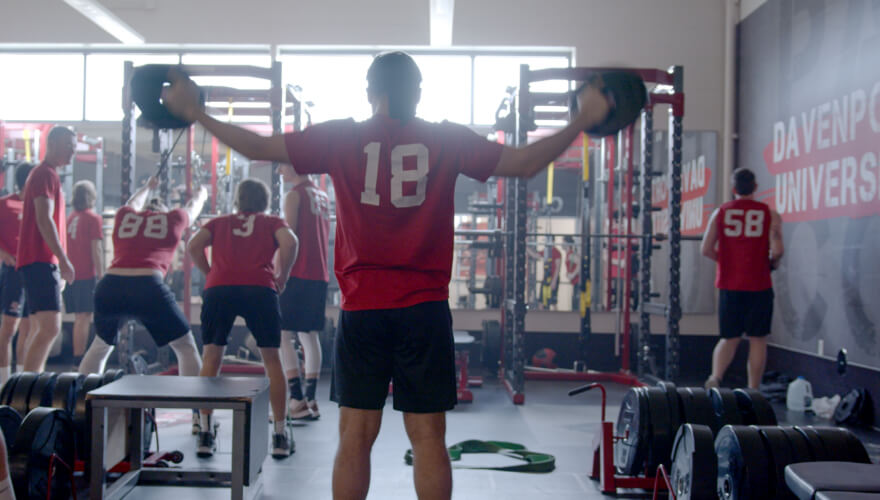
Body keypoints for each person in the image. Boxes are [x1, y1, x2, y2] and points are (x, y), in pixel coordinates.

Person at [163, 51, 611, 500]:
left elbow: (258, 148)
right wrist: (583, 120)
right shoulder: (446, 139)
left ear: (369, 92)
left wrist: (196, 111)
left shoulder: (342, 138)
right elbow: (525, 162)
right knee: (430, 439)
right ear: (418, 92)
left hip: (363, 310)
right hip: (424, 310)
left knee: (354, 438)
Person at [187, 178, 299, 459]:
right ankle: (280, 434)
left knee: (211, 357)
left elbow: (192, 246)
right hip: (259, 287)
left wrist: (210, 272)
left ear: (237, 199)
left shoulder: (219, 222)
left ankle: (204, 431)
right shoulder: (272, 222)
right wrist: (282, 275)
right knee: (271, 359)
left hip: (219, 289)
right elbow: (291, 242)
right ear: (264, 201)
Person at [78, 176, 206, 386]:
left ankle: (80, 404)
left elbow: (133, 203)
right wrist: (202, 193)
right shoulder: (173, 219)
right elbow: (193, 207)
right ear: (163, 212)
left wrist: (147, 187)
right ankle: (200, 415)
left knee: (100, 346)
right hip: (148, 286)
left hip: (111, 286)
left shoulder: (124, 216)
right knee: (185, 347)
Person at [701, 167, 784, 390]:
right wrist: (771, 264)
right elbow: (777, 251)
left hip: (730, 283)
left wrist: (726, 261)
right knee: (758, 339)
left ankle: (715, 378)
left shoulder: (721, 213)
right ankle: (753, 389)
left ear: (733, 189)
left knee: (729, 337)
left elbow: (706, 249)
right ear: (755, 187)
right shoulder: (770, 214)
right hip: (759, 283)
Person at [16, 126, 76, 372]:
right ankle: (28, 390)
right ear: (53, 144)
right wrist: (62, 259)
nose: (72, 153)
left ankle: (27, 385)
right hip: (40, 260)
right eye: (69, 147)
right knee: (50, 328)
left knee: (42, 328)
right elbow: (44, 219)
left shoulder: (46, 175)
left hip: (40, 261)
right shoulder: (45, 175)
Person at [277, 166, 330, 420]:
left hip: (298, 272)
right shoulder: (321, 195)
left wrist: (279, 270)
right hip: (319, 273)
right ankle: (310, 399)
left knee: (283, 335)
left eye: (282, 164)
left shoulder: (294, 195)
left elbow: (289, 238)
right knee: (309, 335)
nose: (279, 170)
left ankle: (297, 399)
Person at [0, 162, 34, 383]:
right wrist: (3, 253)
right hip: (12, 273)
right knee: (8, 329)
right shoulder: (5, 204)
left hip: (33, 272)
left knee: (29, 329)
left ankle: (21, 383)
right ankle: (3, 383)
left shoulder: (38, 205)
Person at [64, 180, 104, 364]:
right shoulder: (93, 218)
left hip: (71, 274)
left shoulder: (70, 217)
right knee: (83, 317)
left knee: (80, 317)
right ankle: (78, 359)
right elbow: (96, 249)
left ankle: (77, 357)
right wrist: (102, 275)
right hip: (86, 274)